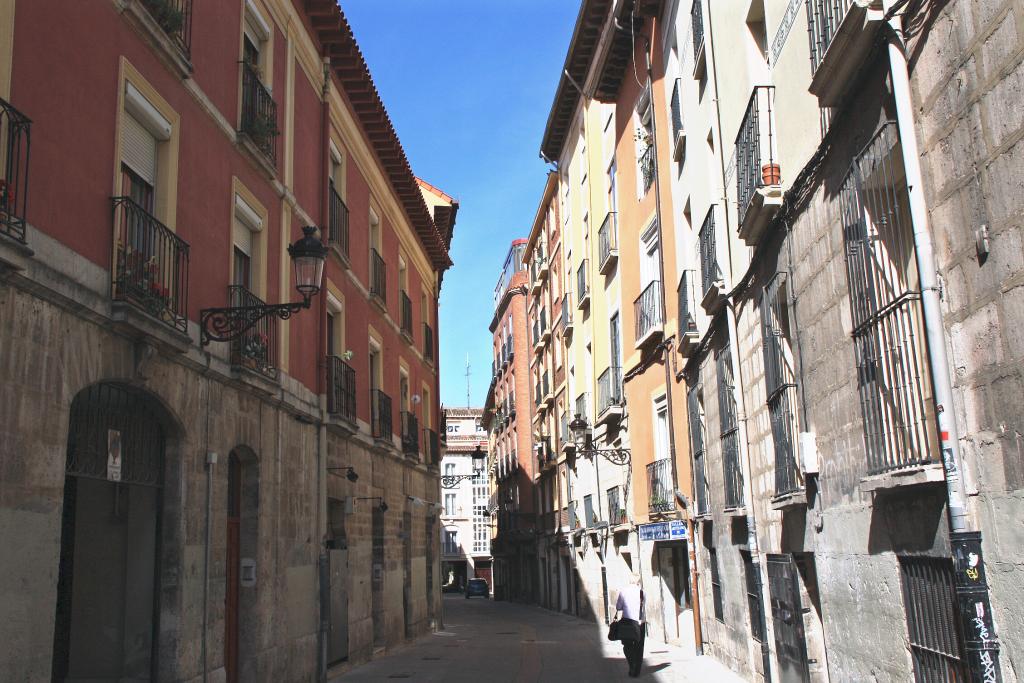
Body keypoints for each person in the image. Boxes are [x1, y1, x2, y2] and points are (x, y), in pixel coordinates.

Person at [613, 575, 646, 678]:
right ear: (638, 582)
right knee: (639, 647)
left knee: (627, 646)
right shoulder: (642, 592)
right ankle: (636, 671)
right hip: (639, 623)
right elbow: (643, 607)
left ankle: (632, 665)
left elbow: (618, 607)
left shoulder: (623, 591)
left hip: (627, 622)